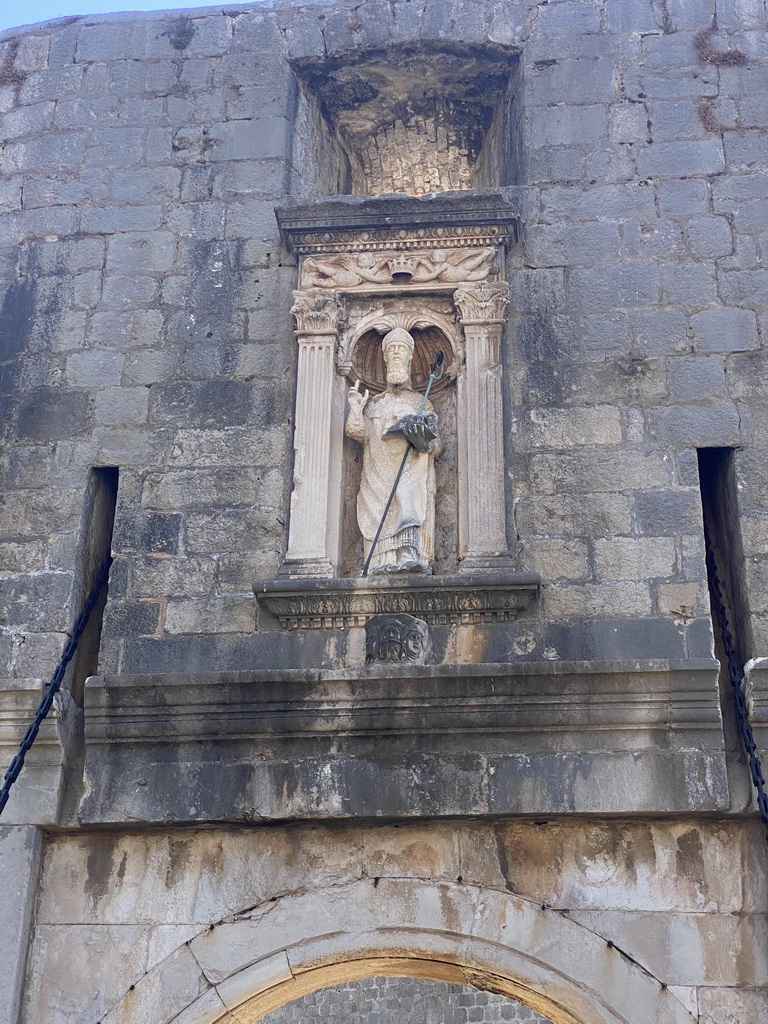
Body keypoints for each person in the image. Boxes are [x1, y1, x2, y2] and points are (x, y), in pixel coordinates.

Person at [346, 328, 442, 574]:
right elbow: (359, 433)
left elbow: (436, 444)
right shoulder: (375, 403)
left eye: (401, 350)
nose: (397, 353)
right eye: (392, 350)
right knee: (378, 510)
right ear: (386, 359)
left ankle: (410, 555)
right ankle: (379, 562)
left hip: (409, 468)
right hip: (377, 472)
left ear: (410, 359)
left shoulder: (420, 402)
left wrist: (423, 442)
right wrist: (357, 410)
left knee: (408, 499)